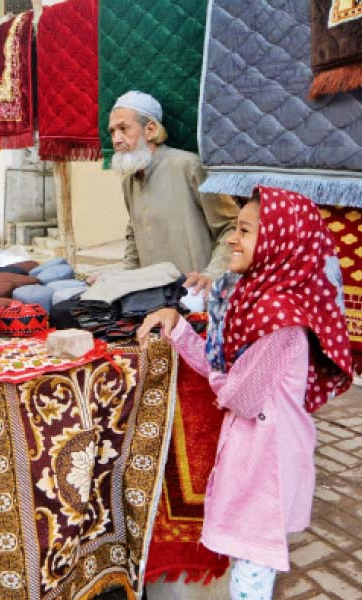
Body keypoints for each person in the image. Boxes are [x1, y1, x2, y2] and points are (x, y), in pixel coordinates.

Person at [137, 187, 353, 600]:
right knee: (250, 570)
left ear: (279, 241)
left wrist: (221, 376)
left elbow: (240, 397)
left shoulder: (279, 319)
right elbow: (225, 371)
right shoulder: (255, 298)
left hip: (266, 464)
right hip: (256, 456)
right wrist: (179, 327)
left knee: (250, 578)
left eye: (246, 231)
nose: (233, 239)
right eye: (236, 228)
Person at [104, 90, 238, 295]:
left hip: (194, 293)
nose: (116, 140)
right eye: (112, 132)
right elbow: (134, 234)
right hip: (152, 294)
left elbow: (232, 227)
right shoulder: (128, 180)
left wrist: (212, 275)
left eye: (123, 128)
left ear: (150, 130)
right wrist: (126, 279)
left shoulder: (188, 166)